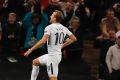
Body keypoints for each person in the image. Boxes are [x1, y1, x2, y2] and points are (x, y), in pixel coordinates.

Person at [24, 10, 77, 80]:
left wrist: (31, 49)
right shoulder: (64, 28)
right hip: (54, 55)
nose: (50, 16)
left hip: (53, 57)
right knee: (35, 62)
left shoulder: (49, 27)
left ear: (55, 18)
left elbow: (43, 41)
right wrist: (61, 45)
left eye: (52, 15)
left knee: (53, 78)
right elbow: (74, 38)